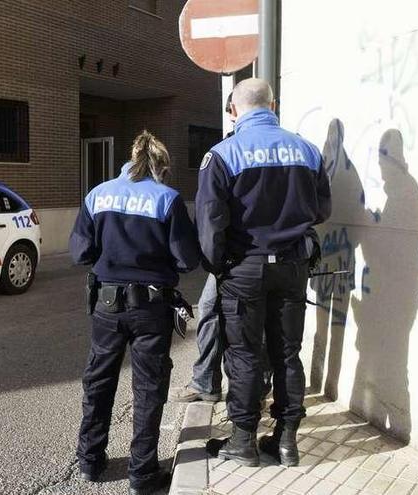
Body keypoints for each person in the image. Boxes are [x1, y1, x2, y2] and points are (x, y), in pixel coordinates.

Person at [197, 79, 331, 467]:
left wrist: (219, 265)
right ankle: (287, 442)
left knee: (244, 355)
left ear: (235, 110)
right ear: (273, 104)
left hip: (244, 269)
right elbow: (322, 210)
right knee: (287, 353)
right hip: (292, 266)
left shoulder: (222, 155)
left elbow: (209, 224)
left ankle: (243, 440)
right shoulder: (306, 149)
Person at [70, 131, 201, 495]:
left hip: (107, 306)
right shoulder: (168, 199)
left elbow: (80, 253)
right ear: (162, 166)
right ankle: (142, 475)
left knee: (98, 382)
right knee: (148, 388)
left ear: (128, 160)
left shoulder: (98, 194)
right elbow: (187, 259)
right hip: (151, 308)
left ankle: (89, 462)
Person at [169, 92, 272, 405]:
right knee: (233, 317)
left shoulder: (226, 151)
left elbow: (211, 214)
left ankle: (229, 389)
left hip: (235, 257)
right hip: (273, 255)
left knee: (223, 317)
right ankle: (216, 383)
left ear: (233, 110)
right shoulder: (288, 145)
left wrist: (213, 261)